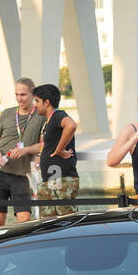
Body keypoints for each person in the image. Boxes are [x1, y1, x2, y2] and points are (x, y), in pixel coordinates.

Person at [0, 78, 46, 226]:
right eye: (17, 94)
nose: (19, 98)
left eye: (23, 94)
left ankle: (19, 247)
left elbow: (43, 144)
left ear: (33, 94)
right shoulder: (6, 114)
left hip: (20, 175)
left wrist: (26, 150)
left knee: (24, 219)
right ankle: (0, 249)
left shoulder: (40, 116)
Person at [33, 83, 78, 218]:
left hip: (62, 178)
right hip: (50, 179)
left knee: (67, 222)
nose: (34, 104)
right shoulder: (49, 121)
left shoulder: (58, 115)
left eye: (37, 101)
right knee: (47, 223)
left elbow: (71, 125)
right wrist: (41, 156)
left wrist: (59, 149)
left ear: (46, 102)